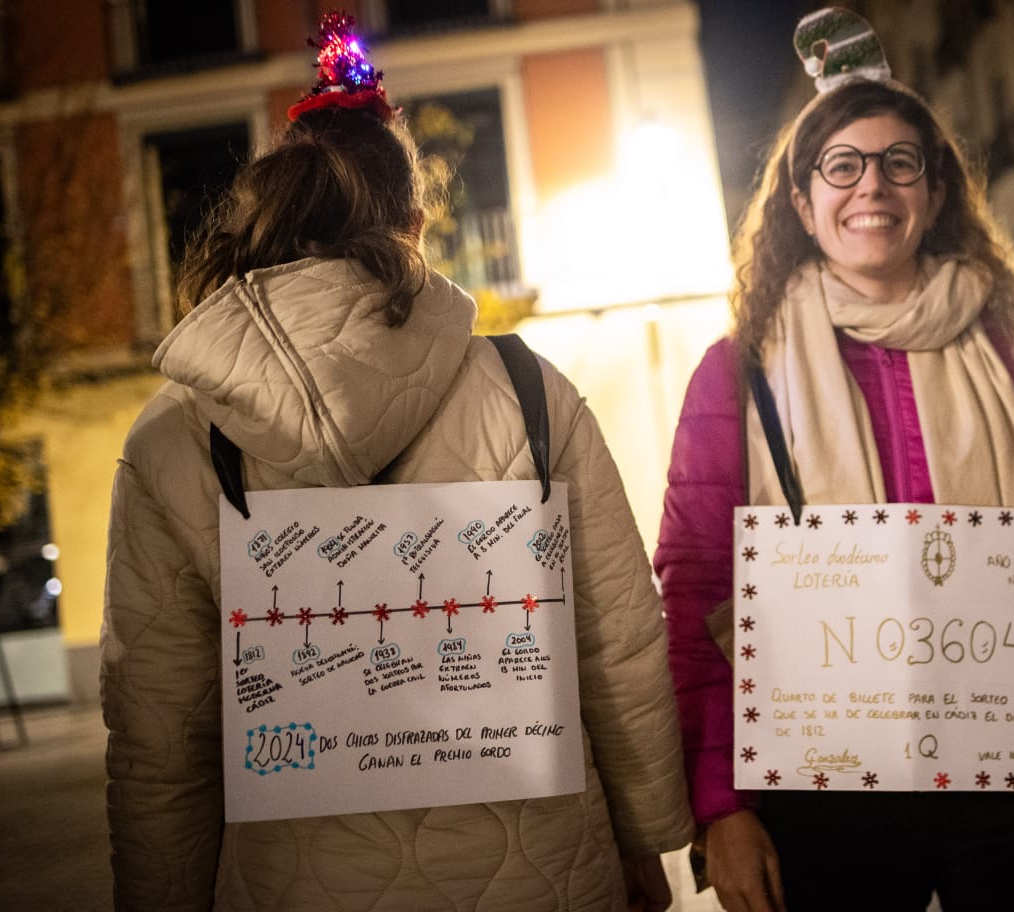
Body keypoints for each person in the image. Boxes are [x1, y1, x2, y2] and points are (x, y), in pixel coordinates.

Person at [101, 13, 690, 911]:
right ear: (413, 227)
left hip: (300, 885)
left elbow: (159, 730)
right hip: (548, 874)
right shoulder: (530, 389)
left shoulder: (172, 438)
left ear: (264, 222)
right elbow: (619, 642)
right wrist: (650, 840)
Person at [654, 8, 1014, 910]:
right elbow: (699, 589)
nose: (874, 186)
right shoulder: (736, 372)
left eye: (901, 162)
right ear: (802, 201)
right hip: (826, 794)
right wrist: (722, 808)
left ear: (936, 192)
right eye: (843, 165)